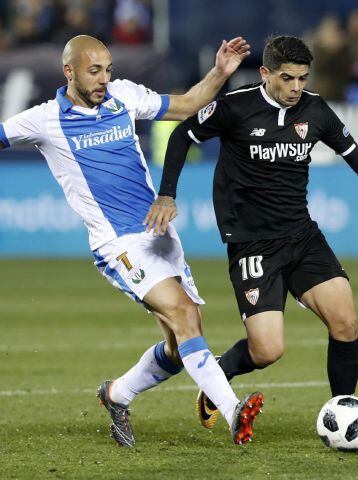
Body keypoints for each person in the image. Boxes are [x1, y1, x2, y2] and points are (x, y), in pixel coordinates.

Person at [143, 35, 358, 447]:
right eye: (287, 78)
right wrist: (167, 193)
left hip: (302, 235)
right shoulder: (235, 106)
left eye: (302, 78)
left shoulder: (316, 110)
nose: (296, 87)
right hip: (252, 244)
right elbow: (181, 136)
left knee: (346, 322)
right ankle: (220, 374)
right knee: (267, 350)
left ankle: (345, 413)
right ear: (265, 73)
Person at [0, 35, 264, 447]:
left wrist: (220, 72)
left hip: (158, 234)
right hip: (117, 244)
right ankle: (233, 410)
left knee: (179, 348)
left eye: (108, 69)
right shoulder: (44, 119)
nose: (104, 78)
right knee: (184, 314)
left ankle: (117, 394)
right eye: (94, 71)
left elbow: (186, 105)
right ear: (69, 72)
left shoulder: (124, 96)